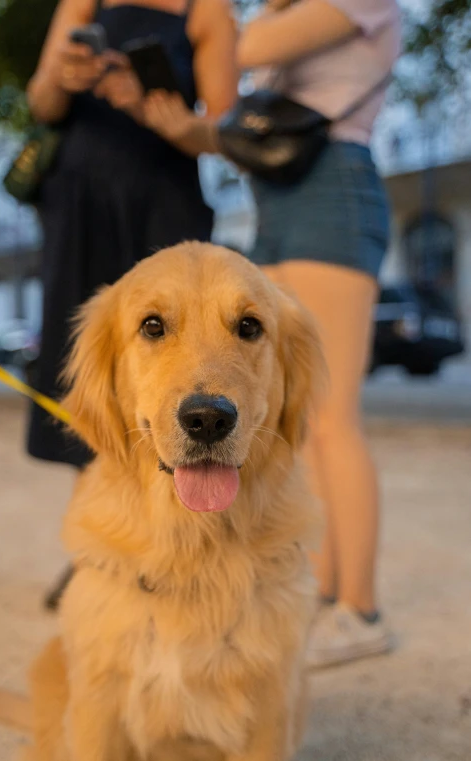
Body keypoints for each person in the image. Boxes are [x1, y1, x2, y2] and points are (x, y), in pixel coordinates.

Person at [25, 0, 238, 606]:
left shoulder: (208, 11)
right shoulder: (81, 2)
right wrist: (59, 78)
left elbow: (223, 131)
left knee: (180, 368)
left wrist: (148, 105)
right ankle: (96, 545)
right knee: (87, 378)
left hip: (160, 202)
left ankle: (177, 549)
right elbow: (41, 105)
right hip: (79, 205)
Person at [234, 0, 401, 667]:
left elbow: (249, 48)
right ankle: (320, 594)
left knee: (334, 418)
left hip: (332, 189)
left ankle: (360, 610)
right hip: (278, 198)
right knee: (296, 418)